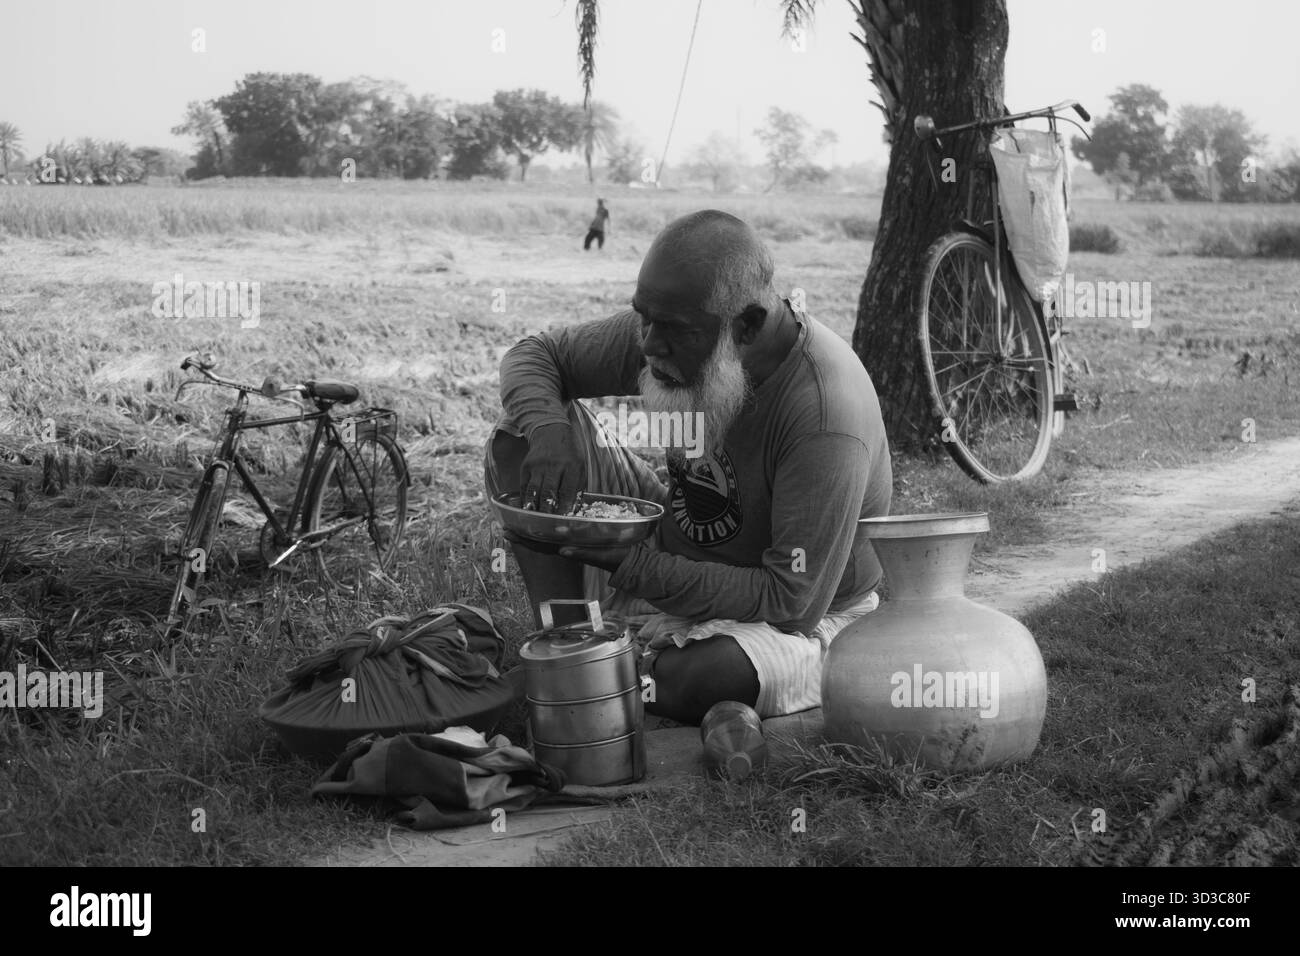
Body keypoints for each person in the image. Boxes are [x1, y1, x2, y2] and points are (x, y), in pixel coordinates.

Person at [487, 210, 892, 724]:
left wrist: (632, 565)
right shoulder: (673, 324)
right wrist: (550, 431)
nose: (649, 345)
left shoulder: (825, 413)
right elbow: (535, 355)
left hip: (799, 619)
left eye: (673, 331)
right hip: (674, 556)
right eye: (643, 318)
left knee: (703, 676)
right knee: (521, 431)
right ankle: (569, 644)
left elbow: (792, 601)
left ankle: (596, 672)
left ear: (747, 327)